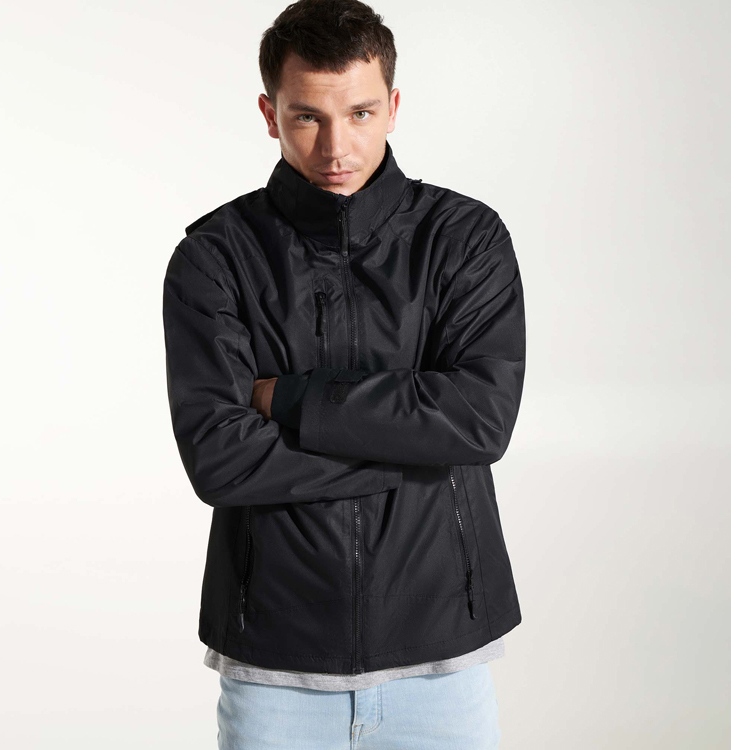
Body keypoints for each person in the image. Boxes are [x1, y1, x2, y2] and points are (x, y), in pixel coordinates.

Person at [162, 0, 526, 746]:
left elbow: (481, 420)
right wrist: (419, 452)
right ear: (270, 114)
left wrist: (293, 400)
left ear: (393, 106)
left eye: (360, 113)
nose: (336, 146)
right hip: (275, 668)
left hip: (443, 660)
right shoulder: (214, 257)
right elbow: (221, 459)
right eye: (308, 117)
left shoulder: (465, 239)